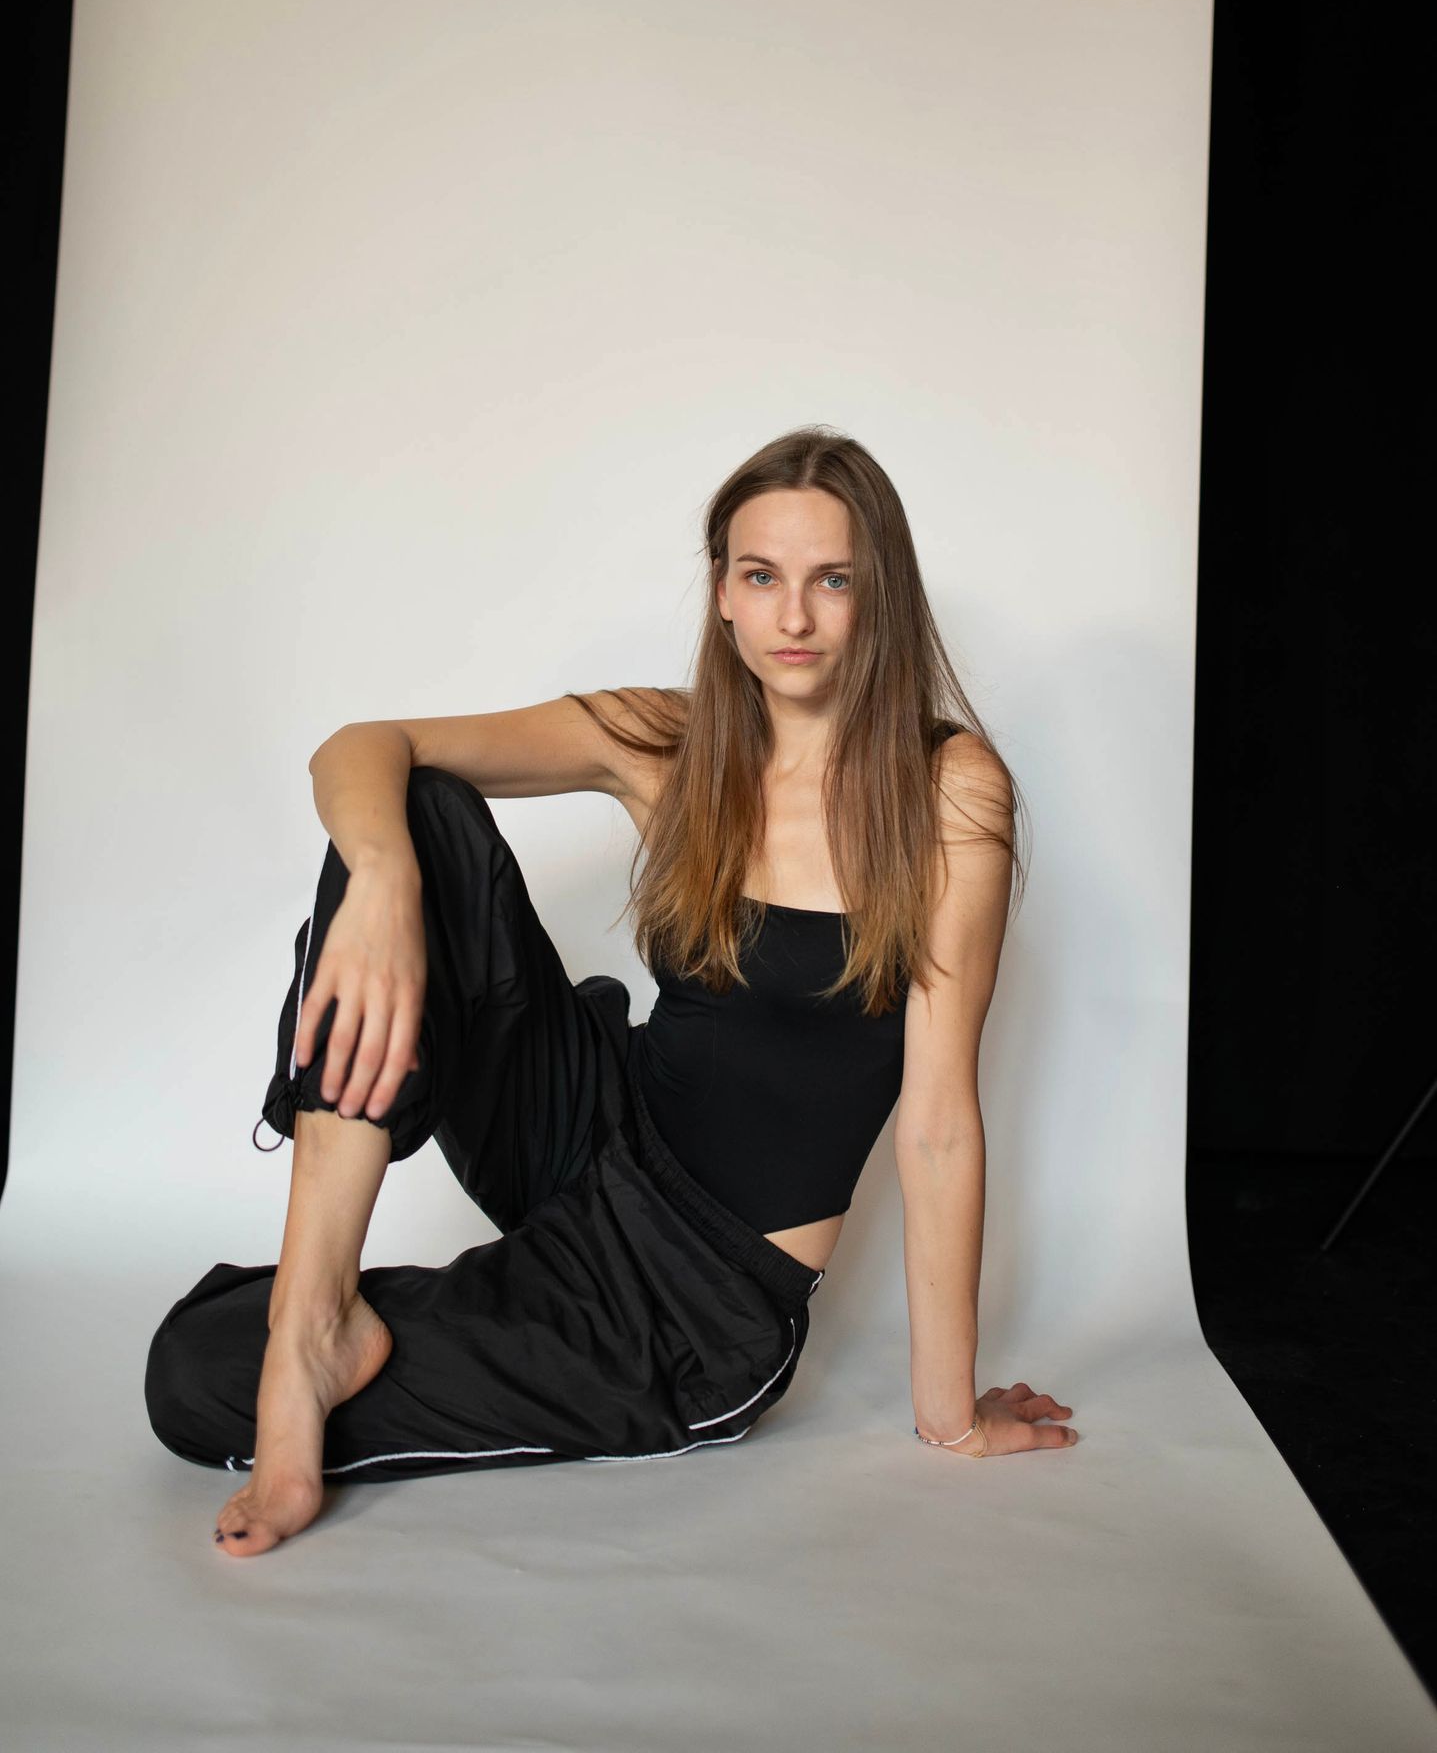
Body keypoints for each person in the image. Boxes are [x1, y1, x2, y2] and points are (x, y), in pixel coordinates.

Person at [144, 424, 1078, 1558]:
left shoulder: (946, 790)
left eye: (832, 580)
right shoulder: (669, 742)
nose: (793, 616)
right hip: (588, 1138)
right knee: (419, 811)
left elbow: (936, 1123)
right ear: (721, 593)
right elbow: (364, 744)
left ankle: (310, 1338)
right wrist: (383, 882)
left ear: (879, 593)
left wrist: (950, 1417)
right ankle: (311, 1329)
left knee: (193, 1371)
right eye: (761, 577)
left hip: (690, 1299)